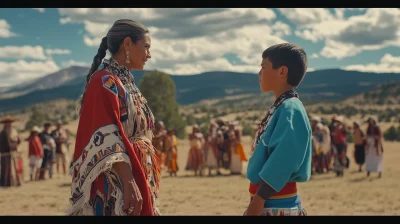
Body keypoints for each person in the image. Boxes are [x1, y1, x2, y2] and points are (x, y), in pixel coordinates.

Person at [67, 19, 160, 216]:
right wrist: (128, 181)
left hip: (136, 172)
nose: (149, 55)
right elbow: (106, 136)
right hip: (116, 181)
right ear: (127, 44)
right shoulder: (103, 81)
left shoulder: (125, 80)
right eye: (146, 47)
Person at [245, 43, 312, 216]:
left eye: (263, 67)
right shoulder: (282, 107)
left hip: (276, 205)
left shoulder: (290, 109)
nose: (259, 73)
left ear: (282, 71)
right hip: (269, 202)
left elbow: (284, 160)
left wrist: (259, 200)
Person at [0, 116, 23, 187]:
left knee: (16, 169)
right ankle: (6, 183)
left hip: (14, 153)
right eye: (7, 123)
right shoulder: (2, 134)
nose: (9, 124)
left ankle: (16, 182)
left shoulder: (14, 132)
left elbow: (18, 141)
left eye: (10, 123)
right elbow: (5, 144)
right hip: (6, 154)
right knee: (6, 170)